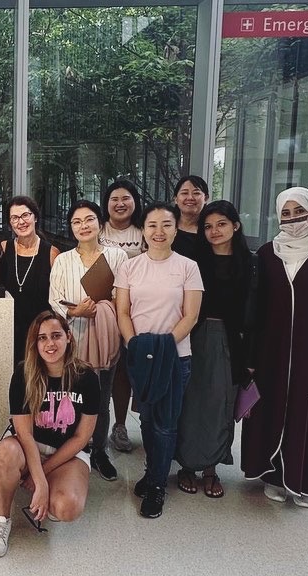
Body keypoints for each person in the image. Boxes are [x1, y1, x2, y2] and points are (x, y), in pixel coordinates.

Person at [242, 187, 308, 508]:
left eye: (299, 211)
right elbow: (257, 306)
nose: (293, 219)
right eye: (286, 213)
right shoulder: (268, 253)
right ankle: (274, 476)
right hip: (272, 351)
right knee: (273, 409)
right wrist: (251, 356)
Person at [114, 202, 203, 518]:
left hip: (175, 358)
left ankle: (156, 488)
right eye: (152, 225)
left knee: (165, 425)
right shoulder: (130, 266)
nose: (159, 231)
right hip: (140, 358)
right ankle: (154, 472)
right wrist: (135, 345)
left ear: (176, 229)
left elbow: (191, 316)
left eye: (166, 224)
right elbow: (122, 311)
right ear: (144, 230)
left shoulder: (188, 267)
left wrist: (162, 346)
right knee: (148, 420)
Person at [0, 310, 99, 558]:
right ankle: (2, 519)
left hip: (67, 451)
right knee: (5, 453)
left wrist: (42, 478)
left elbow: (81, 438)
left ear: (69, 337)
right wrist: (39, 479)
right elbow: (24, 434)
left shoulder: (87, 377)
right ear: (35, 344)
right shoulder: (24, 374)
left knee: (68, 508)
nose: (50, 344)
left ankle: (45, 491)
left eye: (56, 335)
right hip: (30, 446)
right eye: (42, 338)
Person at [175, 201, 252, 498]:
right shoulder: (193, 262)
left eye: (221, 224)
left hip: (233, 341)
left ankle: (211, 468)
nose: (214, 231)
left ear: (236, 225)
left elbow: (255, 312)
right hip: (195, 336)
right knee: (191, 402)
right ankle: (187, 466)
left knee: (222, 403)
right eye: (208, 226)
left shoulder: (250, 263)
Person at [49, 200, 126, 481]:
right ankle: (70, 449)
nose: (84, 226)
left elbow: (124, 295)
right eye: (77, 222)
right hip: (73, 337)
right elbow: (54, 299)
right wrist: (74, 310)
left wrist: (106, 305)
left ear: (99, 223)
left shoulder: (117, 256)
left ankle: (99, 451)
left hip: (105, 336)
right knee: (73, 395)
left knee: (101, 397)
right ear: (71, 228)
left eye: (89, 219)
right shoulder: (63, 260)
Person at [99, 179, 143, 453]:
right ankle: (96, 425)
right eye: (114, 198)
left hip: (136, 311)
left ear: (134, 202)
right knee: (106, 372)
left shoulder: (145, 232)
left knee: (127, 372)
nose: (120, 203)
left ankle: (120, 425)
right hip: (102, 311)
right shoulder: (98, 229)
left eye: (125, 198)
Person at [0, 196, 59, 366]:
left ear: (35, 217)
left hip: (41, 332)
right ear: (10, 223)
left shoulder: (52, 253)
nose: (21, 222)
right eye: (15, 218)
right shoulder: (4, 248)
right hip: (9, 330)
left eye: (26, 215)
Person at [171, 175, 209, 260]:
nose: (190, 198)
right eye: (184, 193)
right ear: (176, 199)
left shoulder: (210, 230)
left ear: (206, 198)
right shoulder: (167, 226)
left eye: (196, 193)